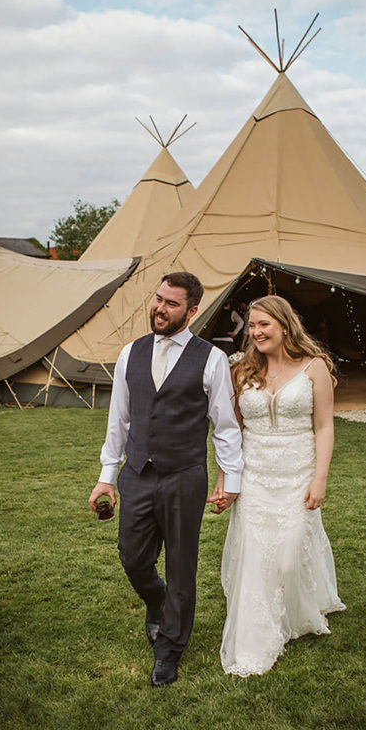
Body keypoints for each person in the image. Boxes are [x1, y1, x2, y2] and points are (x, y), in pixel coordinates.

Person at [89, 272, 243, 687]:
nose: (160, 308)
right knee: (132, 557)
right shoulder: (130, 353)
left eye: (171, 303)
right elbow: (118, 419)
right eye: (158, 299)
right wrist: (107, 475)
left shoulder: (210, 358)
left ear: (192, 311)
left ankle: (170, 648)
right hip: (137, 475)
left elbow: (226, 426)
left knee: (181, 566)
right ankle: (155, 601)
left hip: (183, 477)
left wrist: (231, 481)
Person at [218, 295, 345, 677]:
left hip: (297, 474)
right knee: (257, 559)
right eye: (251, 326)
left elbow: (324, 426)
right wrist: (228, 481)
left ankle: (294, 613)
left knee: (289, 558)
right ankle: (257, 639)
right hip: (255, 476)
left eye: (263, 325)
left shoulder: (314, 367)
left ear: (284, 326)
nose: (255, 332)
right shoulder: (241, 370)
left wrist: (319, 478)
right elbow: (232, 432)